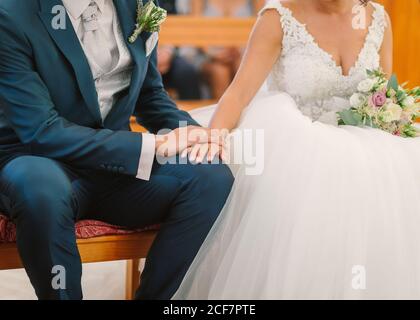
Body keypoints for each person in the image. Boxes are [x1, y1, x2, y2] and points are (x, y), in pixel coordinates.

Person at [174, 0, 420, 299]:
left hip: (361, 149)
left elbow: (382, 98)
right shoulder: (278, 17)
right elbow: (238, 95)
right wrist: (213, 141)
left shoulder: (378, 18)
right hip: (294, 148)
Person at [0, 0, 233, 300]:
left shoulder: (137, 5)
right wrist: (153, 145)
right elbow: (42, 131)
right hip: (37, 157)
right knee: (41, 188)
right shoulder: (12, 14)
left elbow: (150, 97)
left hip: (114, 165)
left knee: (210, 178)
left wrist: (192, 133)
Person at [192, 0, 264, 99]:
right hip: (207, 55)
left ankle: (246, 111)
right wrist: (213, 53)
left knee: (241, 66)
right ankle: (220, 112)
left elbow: (262, 29)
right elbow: (194, 30)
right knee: (220, 71)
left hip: (244, 52)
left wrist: (240, 49)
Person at [158, 0, 202, 100]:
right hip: (139, 53)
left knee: (187, 73)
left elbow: (175, 26)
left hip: (167, 50)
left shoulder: (171, 3)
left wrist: (167, 51)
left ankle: (192, 113)